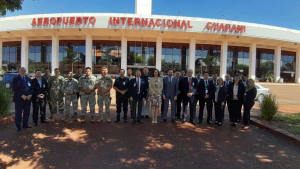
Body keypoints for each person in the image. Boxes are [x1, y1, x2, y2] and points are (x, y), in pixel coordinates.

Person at [12, 67, 33, 132]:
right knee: (18, 113)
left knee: (27, 112)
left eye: (24, 70)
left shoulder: (28, 79)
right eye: (22, 70)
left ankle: (25, 124)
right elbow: (14, 89)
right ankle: (18, 126)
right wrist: (21, 95)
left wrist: (30, 94)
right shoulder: (15, 79)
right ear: (19, 71)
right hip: (19, 99)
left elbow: (32, 88)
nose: (23, 72)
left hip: (27, 99)